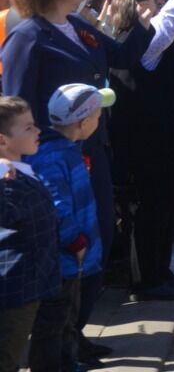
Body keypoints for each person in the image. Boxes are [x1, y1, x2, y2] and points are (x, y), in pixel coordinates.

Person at [0, 0, 153, 363]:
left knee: (99, 238)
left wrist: (142, 19)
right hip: (51, 161)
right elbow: (13, 105)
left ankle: (76, 333)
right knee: (69, 250)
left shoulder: (77, 28)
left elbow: (120, 57)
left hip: (91, 150)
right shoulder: (27, 37)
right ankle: (61, 342)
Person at [106, 0, 174, 302]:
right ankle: (148, 279)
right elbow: (172, 21)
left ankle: (160, 271)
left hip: (170, 146)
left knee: (167, 212)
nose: (160, 7)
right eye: (153, 3)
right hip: (148, 151)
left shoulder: (154, 44)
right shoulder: (137, 45)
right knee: (151, 216)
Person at [28, 84, 111, 372]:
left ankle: (68, 361)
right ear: (84, 122)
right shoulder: (54, 157)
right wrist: (74, 240)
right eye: (98, 117)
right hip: (65, 259)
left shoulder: (69, 150)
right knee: (54, 321)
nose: (99, 123)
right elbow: (57, 205)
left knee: (69, 318)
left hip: (75, 258)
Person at [0, 97, 58, 372]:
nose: (38, 131)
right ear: (2, 141)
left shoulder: (22, 172)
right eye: (28, 128)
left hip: (33, 281)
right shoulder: (6, 184)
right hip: (13, 288)